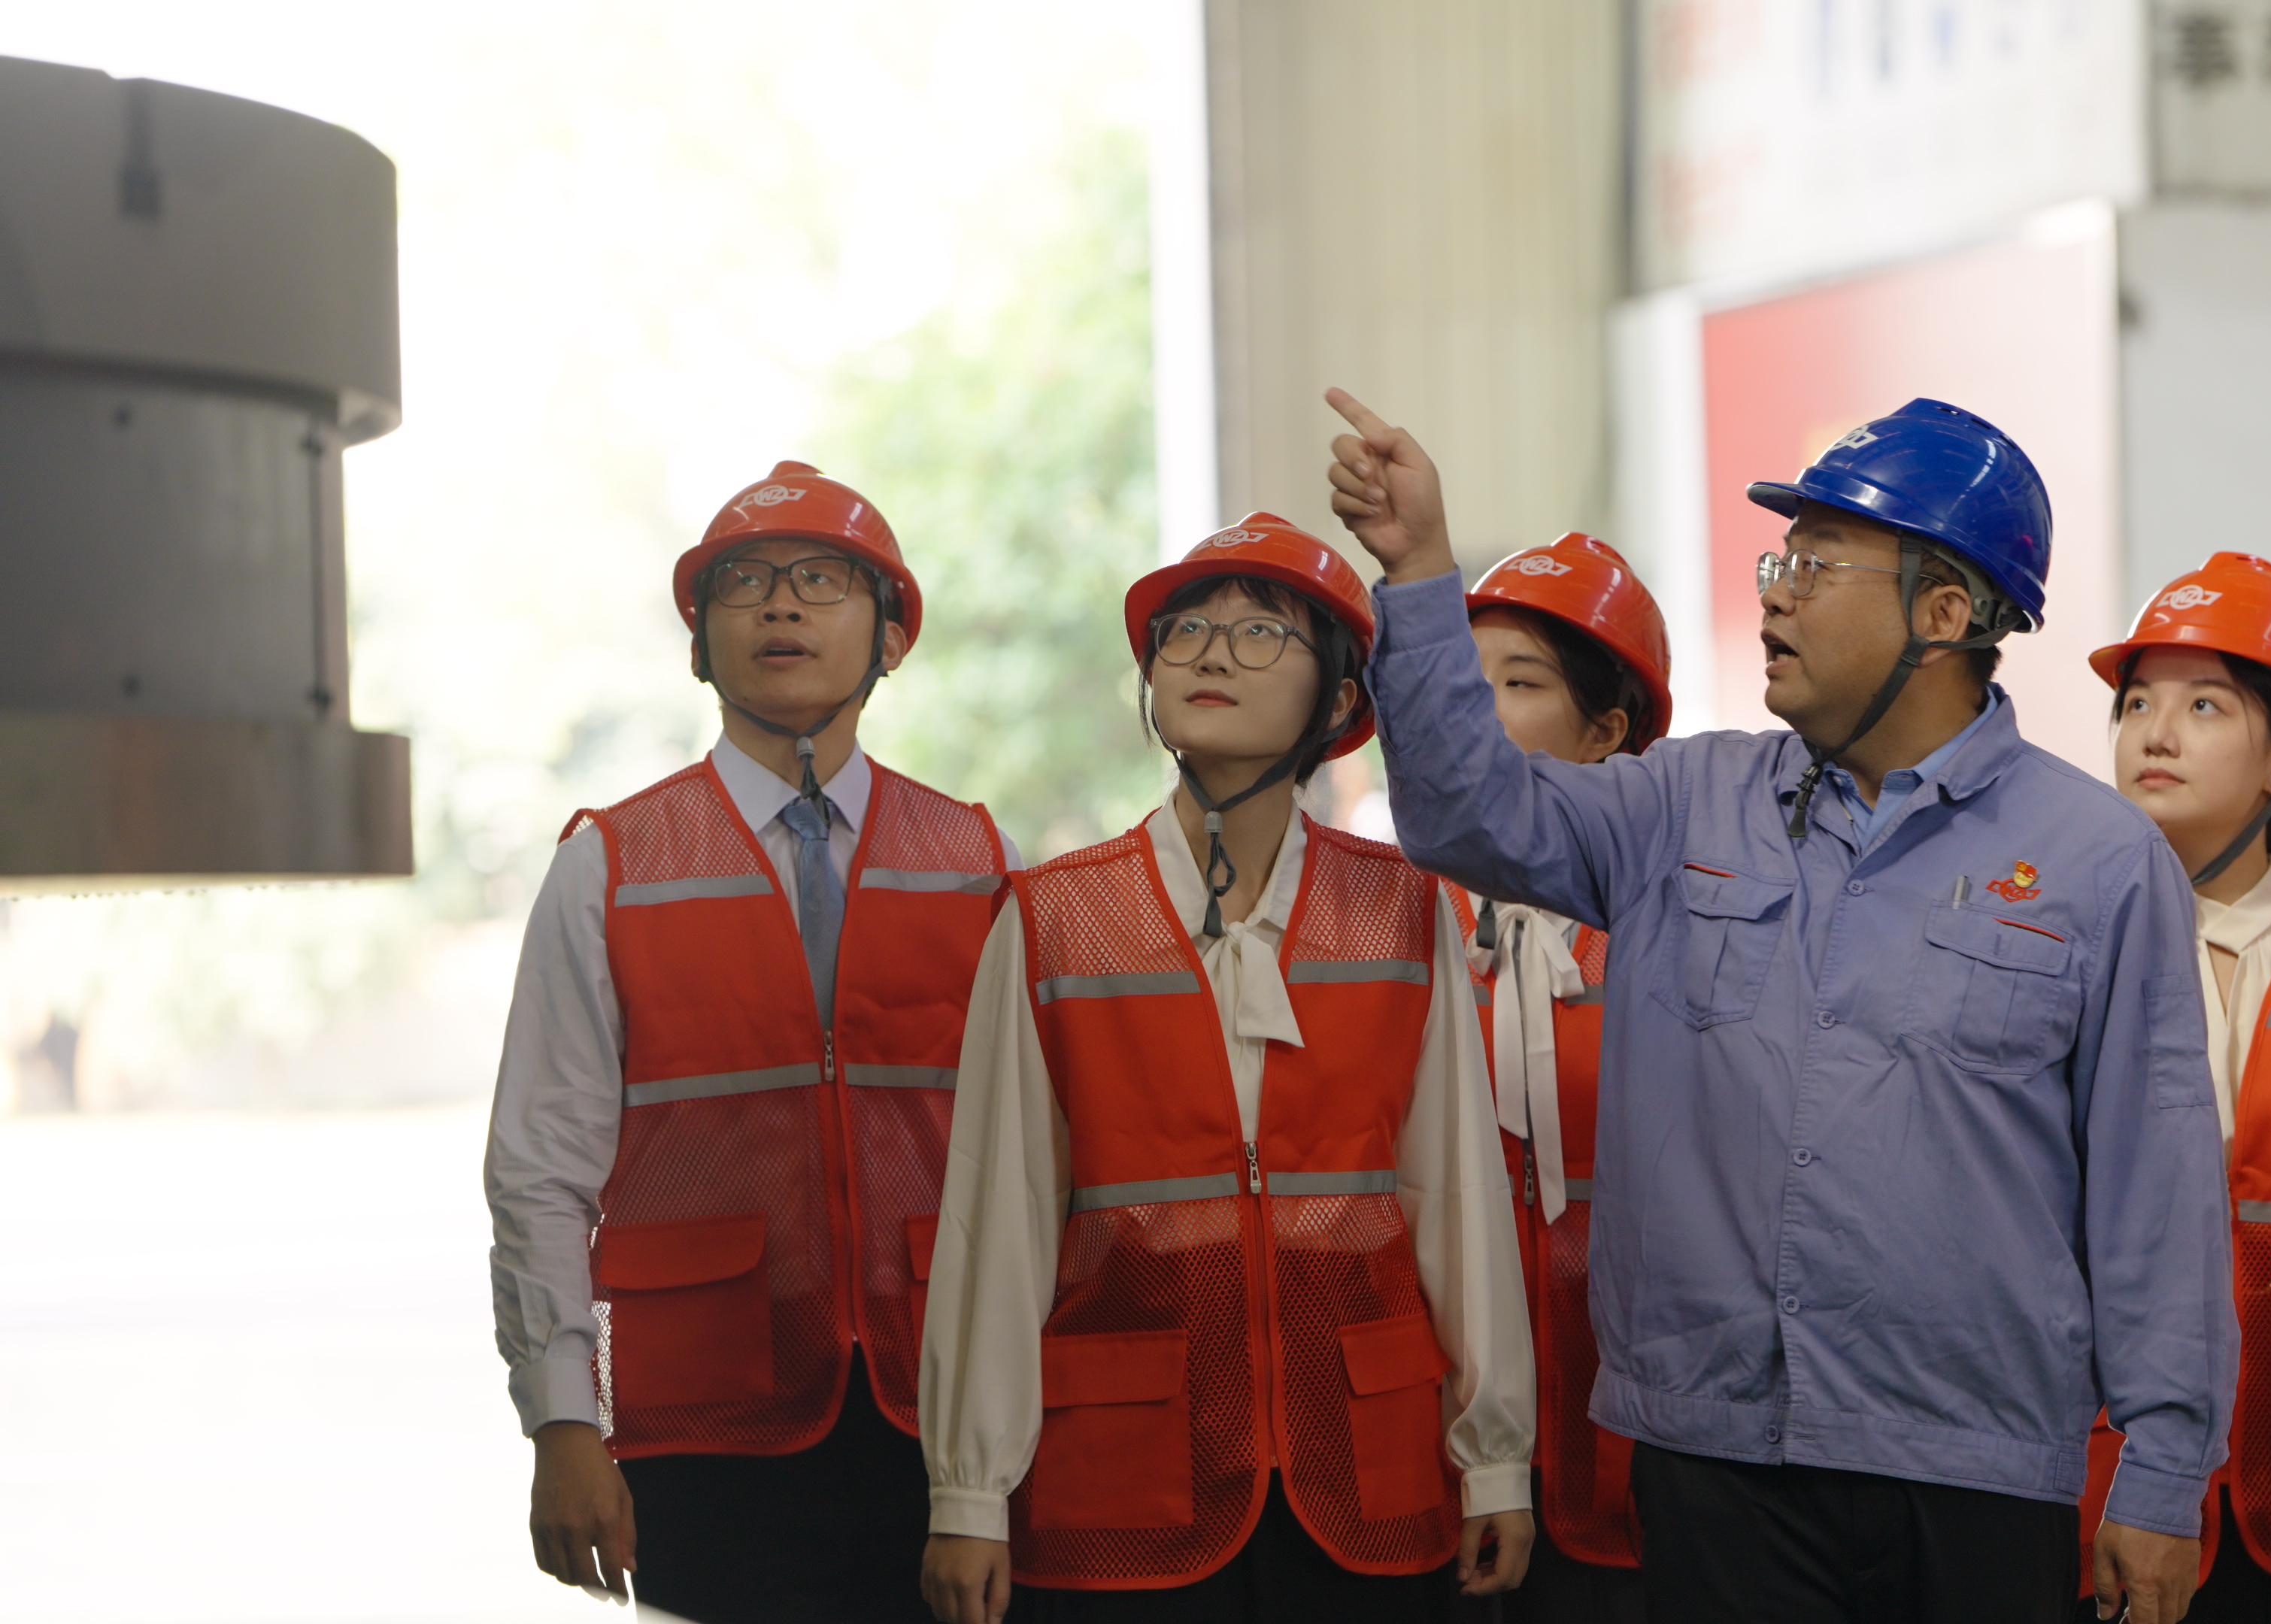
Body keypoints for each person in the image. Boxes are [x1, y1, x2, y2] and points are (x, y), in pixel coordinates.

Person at [1329, 388, 2238, 1624]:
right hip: (1717, 1462)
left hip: (1976, 1472)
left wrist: (2164, 1472)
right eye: (1779, 561)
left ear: (1945, 613)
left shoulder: (2099, 861)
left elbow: (2157, 1187)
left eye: (1818, 563)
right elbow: (1462, 814)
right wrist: (1420, 573)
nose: (1775, 596)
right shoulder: (1679, 807)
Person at [914, 513, 1536, 1624]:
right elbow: (998, 1214)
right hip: (1127, 1469)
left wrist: (1495, 1456)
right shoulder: (1054, 917)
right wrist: (969, 1490)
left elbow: (1456, 1195)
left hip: (1367, 1461)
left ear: (1338, 701)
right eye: (1186, 631)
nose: (1212, 653)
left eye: (1261, 633)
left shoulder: (1403, 908)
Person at [486, 462, 1016, 1622]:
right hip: (703, 1429)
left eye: (823, 580)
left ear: (891, 637)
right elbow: (540, 1167)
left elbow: (1039, 1168)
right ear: (698, 644)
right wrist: (562, 1421)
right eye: (744, 582)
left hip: (941, 1418)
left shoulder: (982, 862)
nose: (781, 603)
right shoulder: (609, 866)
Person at [2080, 553, 2271, 1623]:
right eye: (2137, 704)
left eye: (2204, 705)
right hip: (2097, 1481)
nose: (2155, 734)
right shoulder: (2057, 963)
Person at [1446, 532, 1673, 1624]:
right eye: (1465, 681)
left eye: (1520, 683)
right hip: (1433, 1436)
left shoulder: (1674, 931)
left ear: (1608, 733)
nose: (1477, 710)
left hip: (1634, 1432)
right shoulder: (1396, 919)